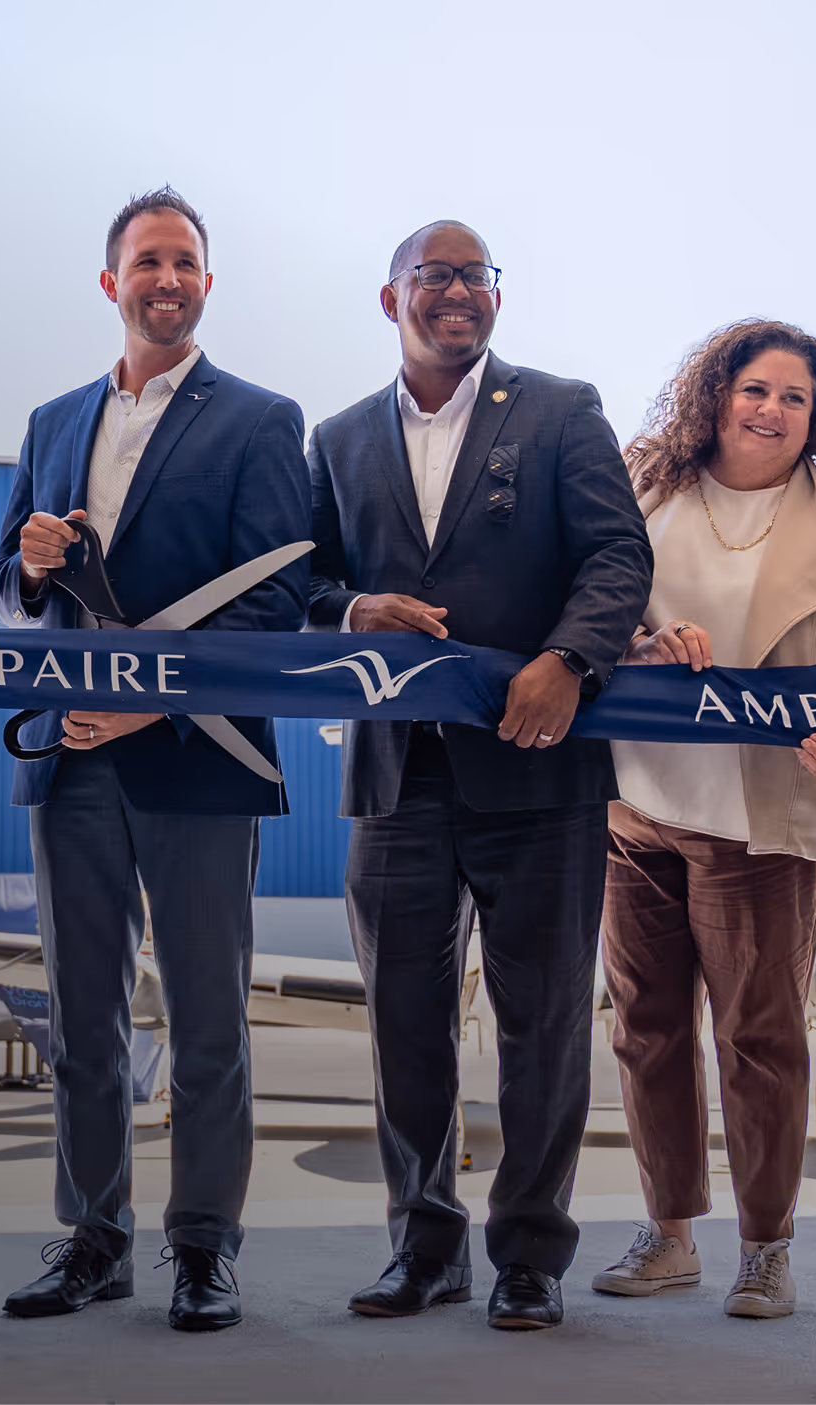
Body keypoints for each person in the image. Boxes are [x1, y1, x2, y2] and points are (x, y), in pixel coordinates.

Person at [302, 220, 651, 1331]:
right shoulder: (337, 439)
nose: (456, 291)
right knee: (403, 1023)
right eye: (433, 275)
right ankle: (423, 1245)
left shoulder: (560, 409)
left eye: (474, 275)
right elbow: (300, 583)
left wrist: (568, 660)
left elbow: (617, 555)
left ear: (495, 294)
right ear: (390, 297)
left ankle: (529, 1254)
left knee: (542, 1023)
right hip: (395, 772)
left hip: (542, 768)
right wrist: (353, 609)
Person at [0, 187, 309, 1333]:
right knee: (81, 1019)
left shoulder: (260, 421)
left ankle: (204, 1246)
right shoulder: (50, 422)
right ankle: (93, 1238)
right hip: (68, 763)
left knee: (208, 1021)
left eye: (182, 262)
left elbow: (273, 603)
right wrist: (28, 564)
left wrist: (146, 705)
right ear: (110, 281)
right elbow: (7, 588)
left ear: (204, 284)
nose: (164, 279)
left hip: (195, 759)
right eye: (145, 261)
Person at [592, 320, 816, 1320]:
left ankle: (764, 1247)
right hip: (634, 799)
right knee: (645, 1030)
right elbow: (584, 601)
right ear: (715, 394)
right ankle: (668, 1234)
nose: (771, 409)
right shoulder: (645, 483)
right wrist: (640, 643)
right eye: (754, 389)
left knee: (758, 1037)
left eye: (794, 396)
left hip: (762, 814)